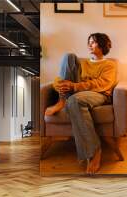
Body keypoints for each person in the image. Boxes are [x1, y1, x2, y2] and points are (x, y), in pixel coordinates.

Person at [45, 33, 117, 174]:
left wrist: (74, 86)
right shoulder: (82, 63)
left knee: (74, 100)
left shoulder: (109, 64)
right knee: (69, 56)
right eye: (89, 42)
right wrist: (61, 85)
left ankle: (94, 151)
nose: (89, 45)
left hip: (99, 94)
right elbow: (61, 78)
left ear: (102, 45)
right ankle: (62, 100)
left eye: (93, 42)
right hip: (76, 92)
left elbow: (102, 84)